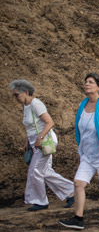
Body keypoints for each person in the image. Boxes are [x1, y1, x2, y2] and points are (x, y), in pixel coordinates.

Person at [59, 73, 99, 231]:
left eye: (91, 82)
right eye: (86, 82)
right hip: (87, 155)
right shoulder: (83, 105)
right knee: (78, 183)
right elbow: (83, 132)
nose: (87, 84)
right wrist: (80, 153)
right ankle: (78, 218)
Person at [10, 79, 74, 211]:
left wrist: (39, 138)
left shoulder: (36, 104)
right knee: (45, 171)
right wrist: (28, 141)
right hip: (36, 142)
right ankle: (71, 191)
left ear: (26, 92)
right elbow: (32, 126)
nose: (15, 98)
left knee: (35, 171)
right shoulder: (26, 106)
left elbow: (50, 122)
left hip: (44, 142)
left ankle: (41, 201)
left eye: (17, 94)